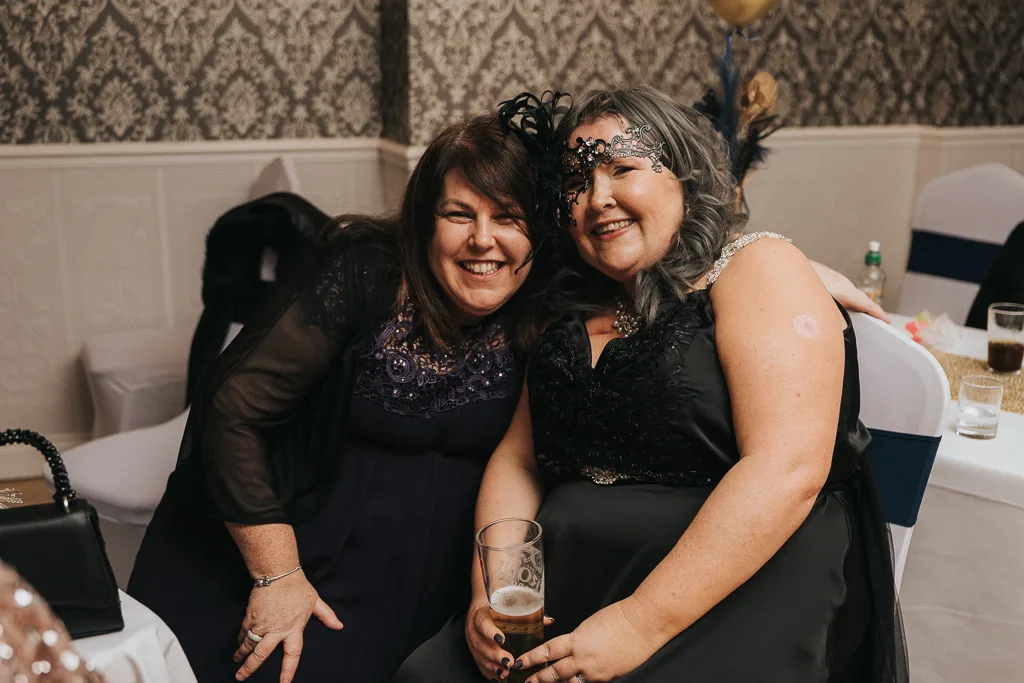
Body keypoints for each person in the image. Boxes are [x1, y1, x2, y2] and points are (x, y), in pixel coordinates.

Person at [395, 87, 907, 683]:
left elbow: (787, 468)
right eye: (576, 181)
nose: (596, 198)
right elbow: (518, 460)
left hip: (734, 581)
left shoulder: (756, 269)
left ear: (684, 177)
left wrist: (639, 624)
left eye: (622, 169)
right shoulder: (570, 299)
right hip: (578, 573)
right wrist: (497, 591)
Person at [127, 113, 550, 683]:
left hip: (440, 573)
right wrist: (276, 576)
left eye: (507, 218)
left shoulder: (544, 305)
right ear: (425, 223)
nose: (482, 238)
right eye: (459, 214)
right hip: (303, 547)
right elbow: (231, 411)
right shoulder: (364, 272)